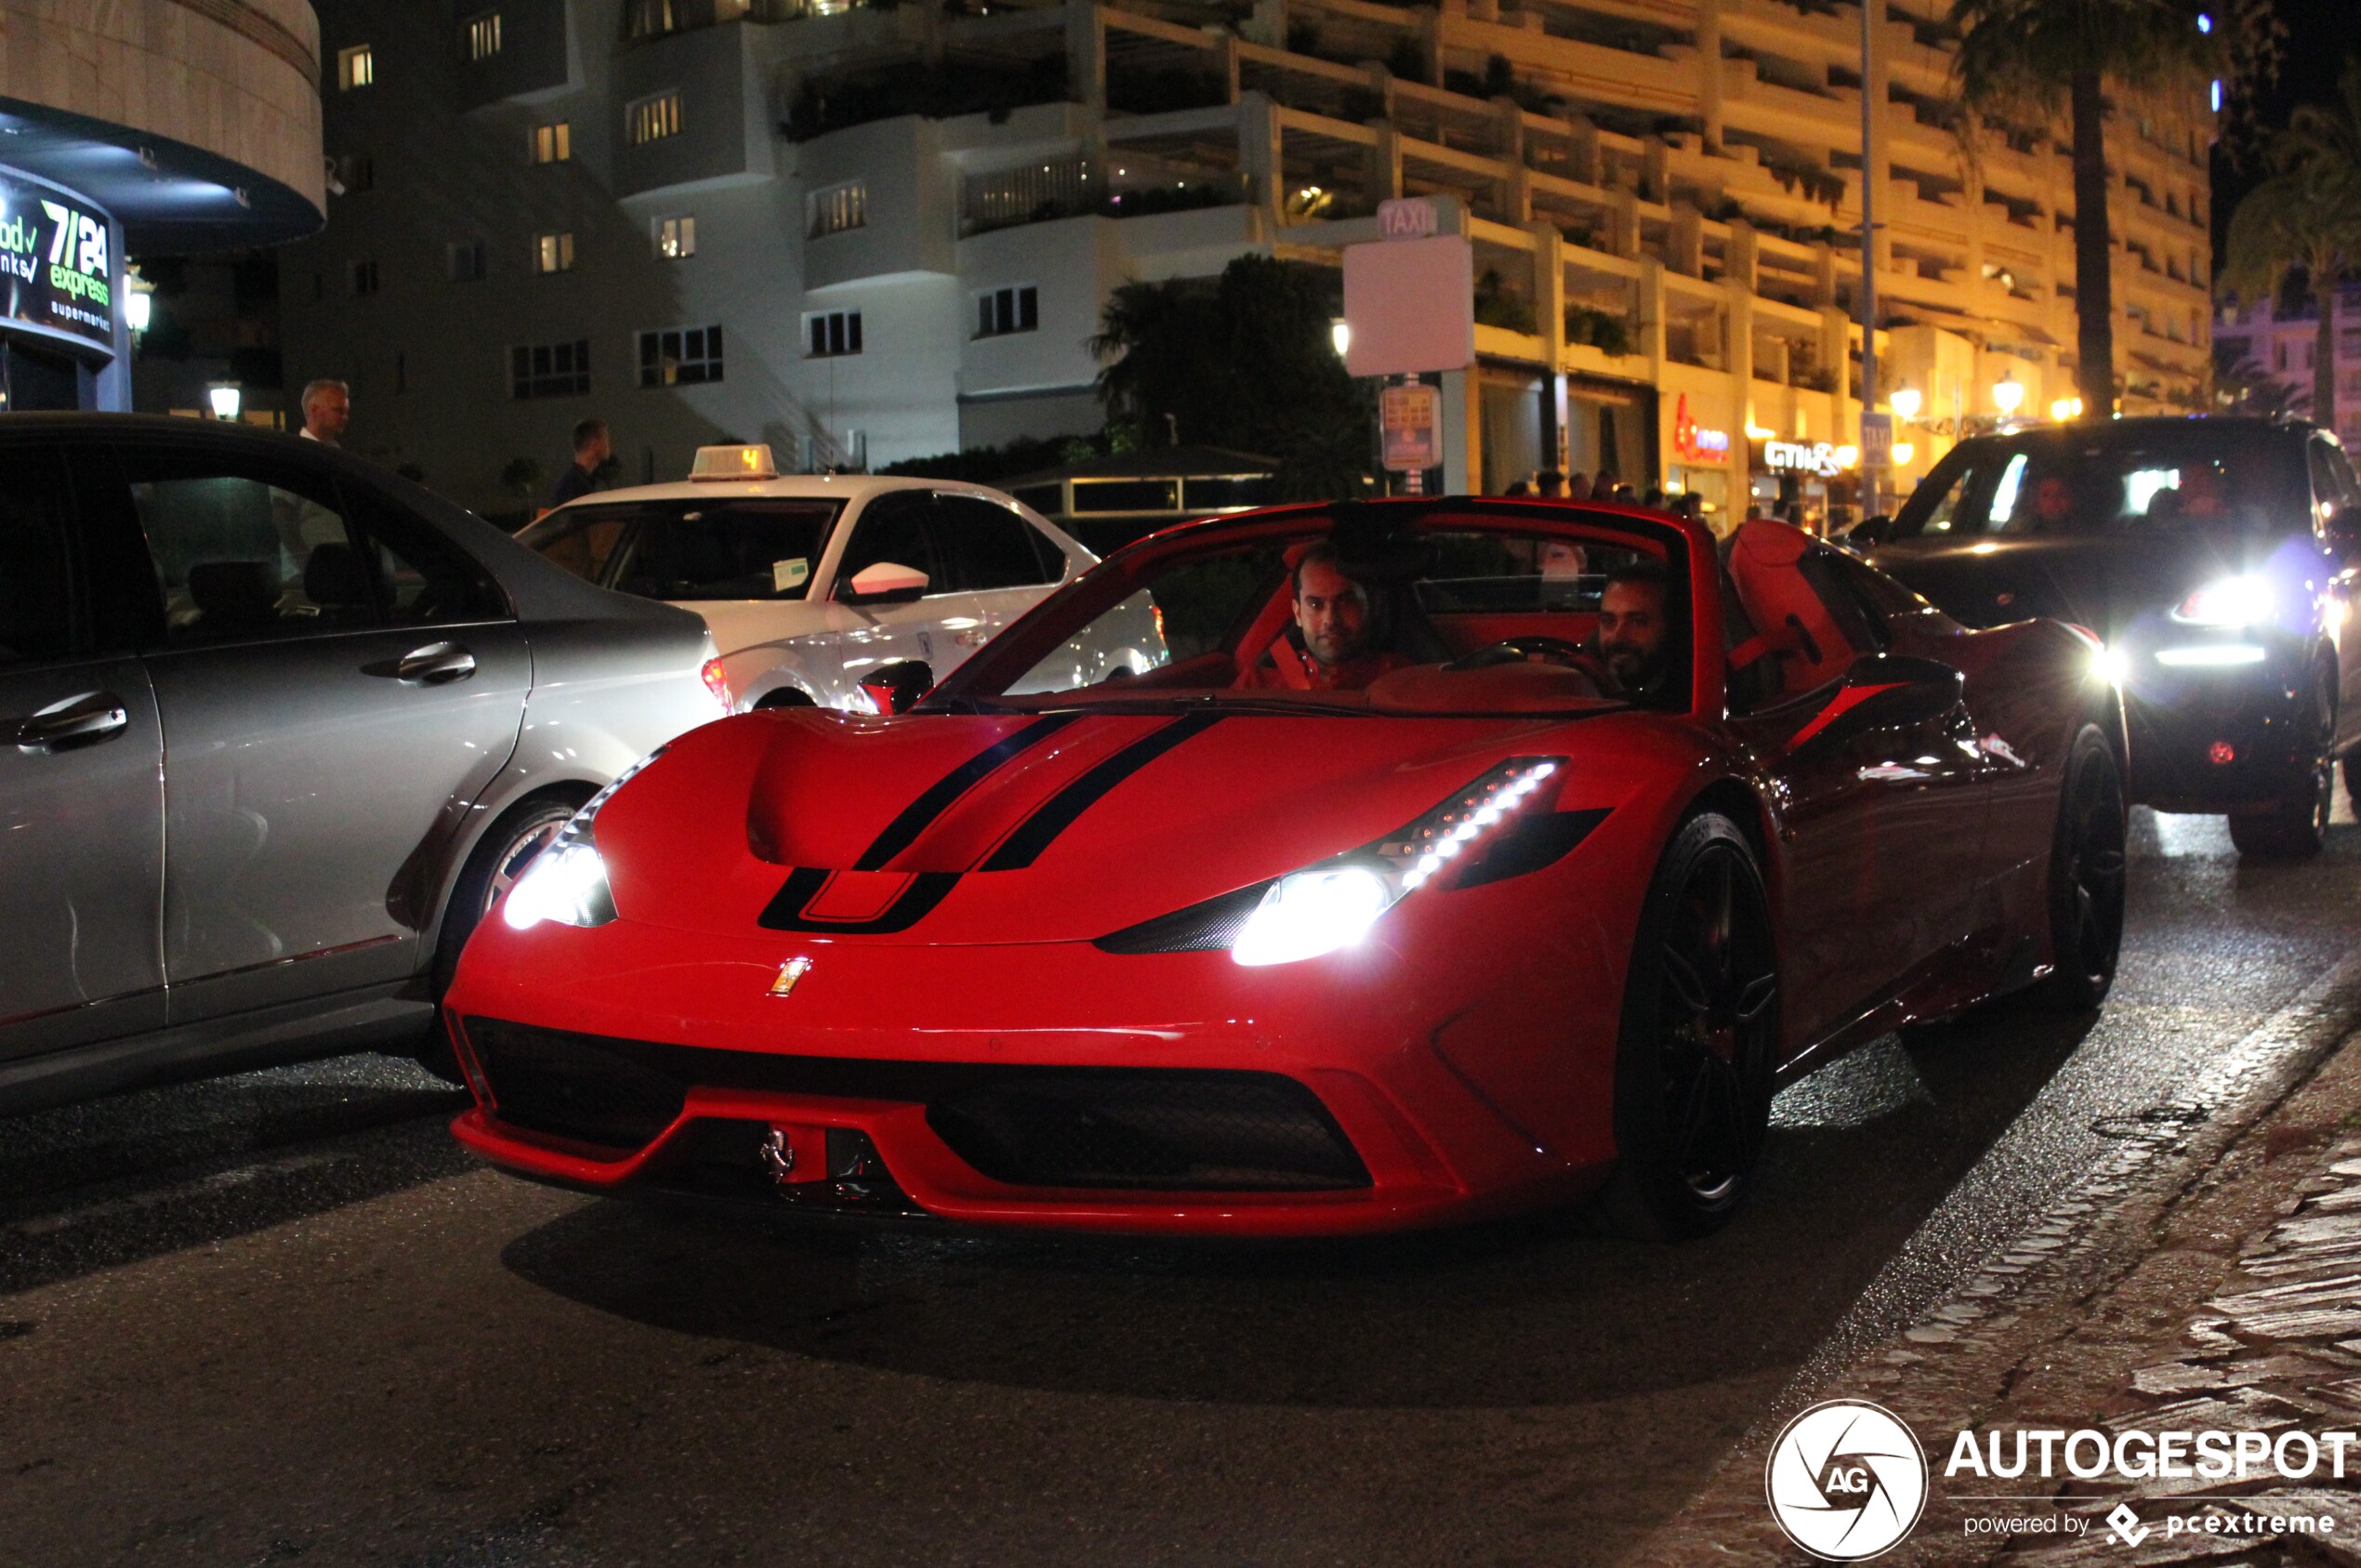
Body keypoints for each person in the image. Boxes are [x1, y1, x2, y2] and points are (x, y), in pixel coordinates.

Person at [1247, 542, 1410, 692]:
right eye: (1315, 605)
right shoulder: (1259, 683)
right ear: (1298, 613)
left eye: (1346, 602)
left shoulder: (1403, 680)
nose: (1330, 620)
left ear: (1373, 605)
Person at [1594, 559, 1674, 705]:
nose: (1617, 637)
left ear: (1668, 625)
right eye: (1609, 621)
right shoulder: (1584, 681)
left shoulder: (1686, 697)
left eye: (1637, 621)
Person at [549, 419, 612, 508]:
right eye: (605, 439)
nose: (608, 446)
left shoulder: (576, 481)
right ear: (594, 444)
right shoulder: (575, 485)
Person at [298, 379, 349, 446]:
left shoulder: (337, 450)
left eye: (345, 411)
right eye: (338, 410)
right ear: (314, 409)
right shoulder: (294, 450)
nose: (345, 417)